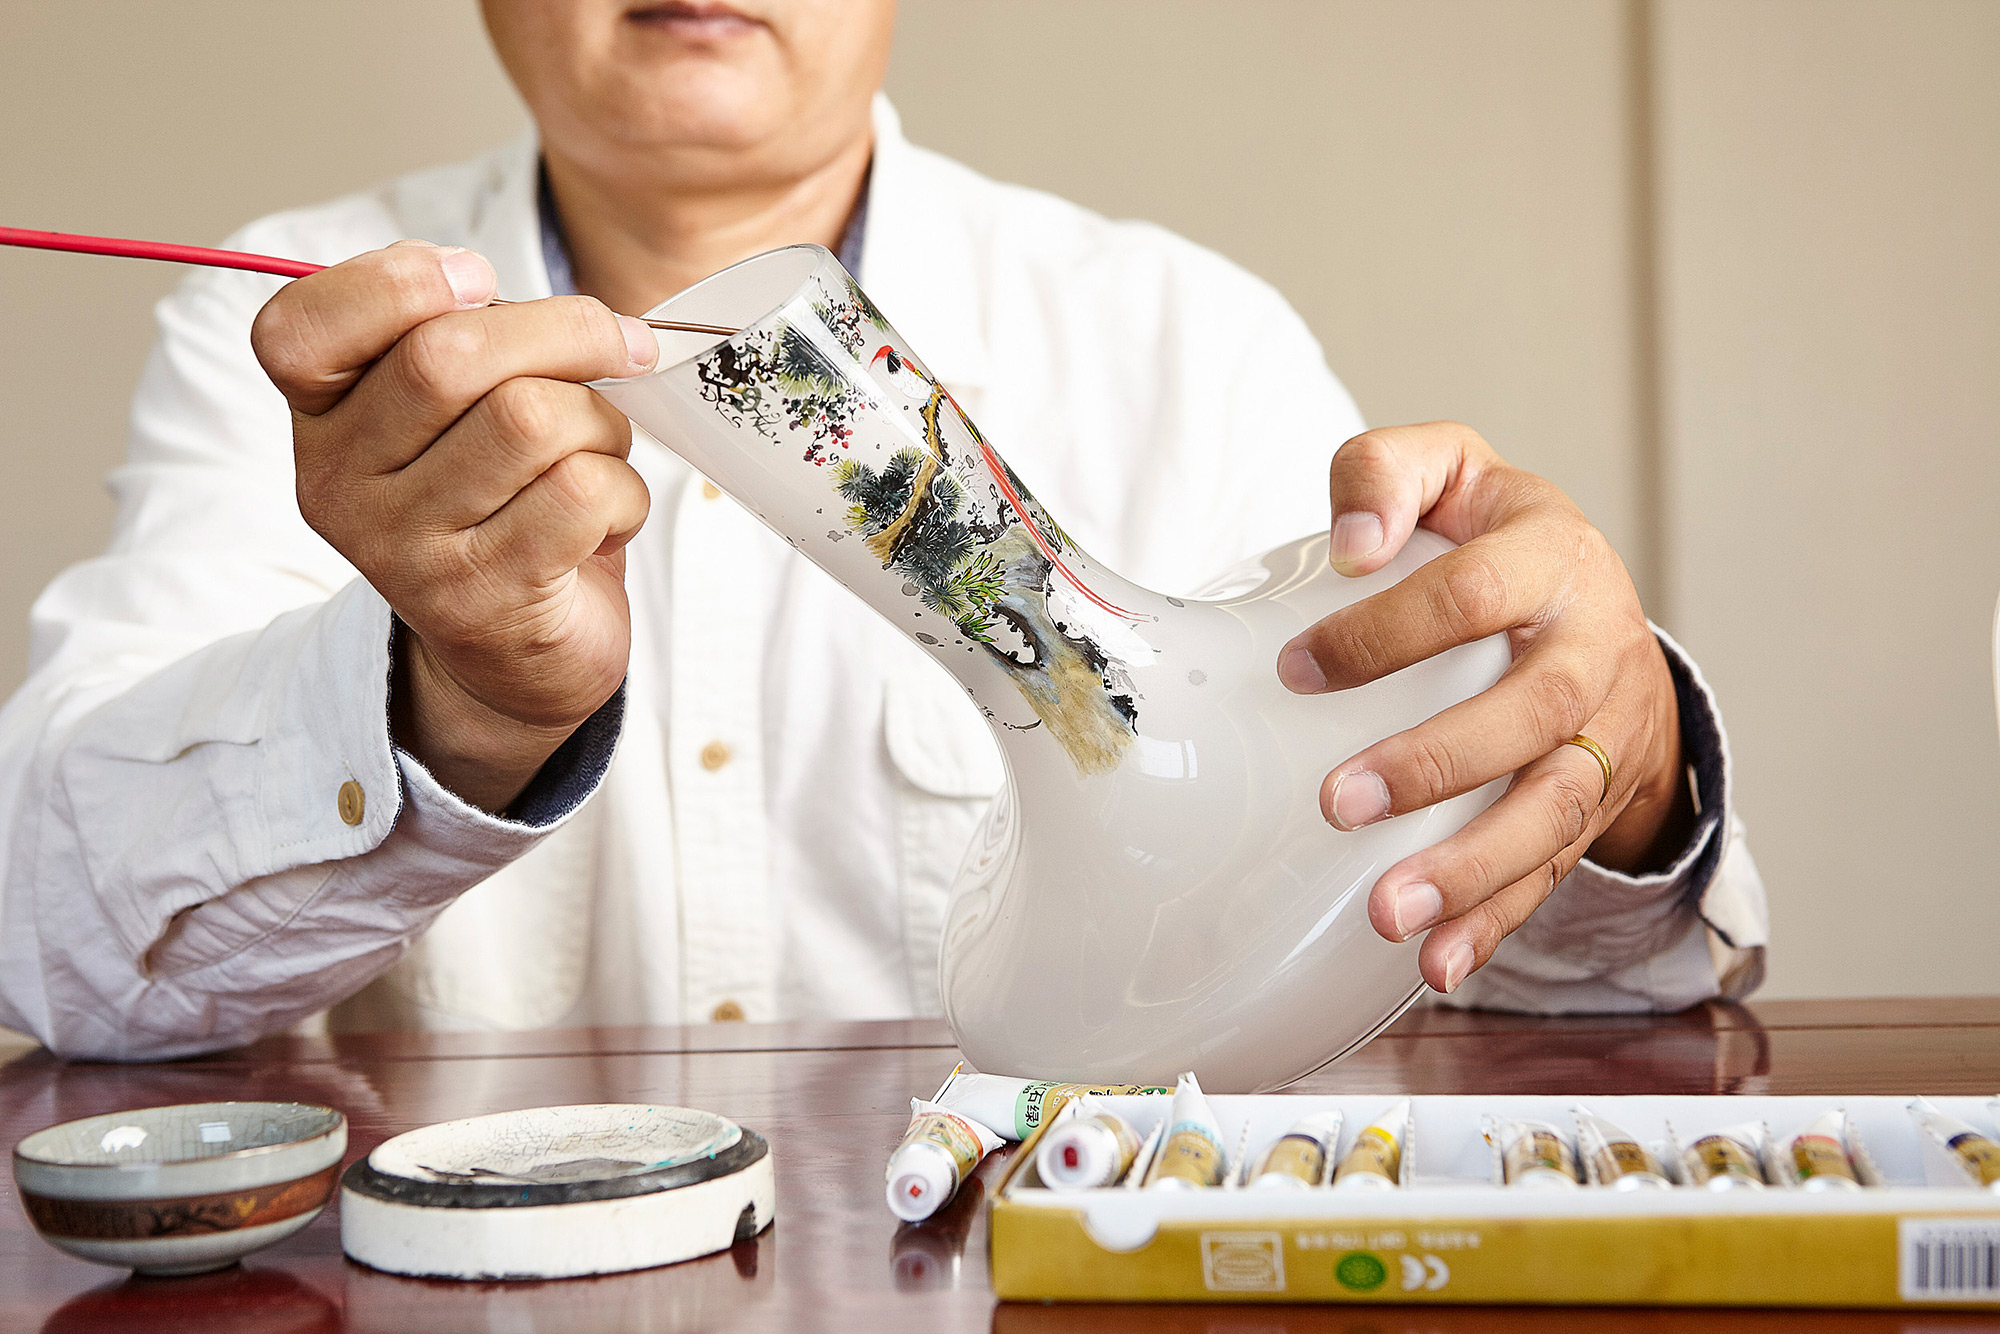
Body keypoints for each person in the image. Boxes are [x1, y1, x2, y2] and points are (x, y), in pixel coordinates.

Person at [0, 0, 1765, 1059]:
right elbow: (49, 943)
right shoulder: (306, 349)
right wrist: (454, 706)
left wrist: (1618, 764)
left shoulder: (1176, 336)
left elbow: (1587, 985)